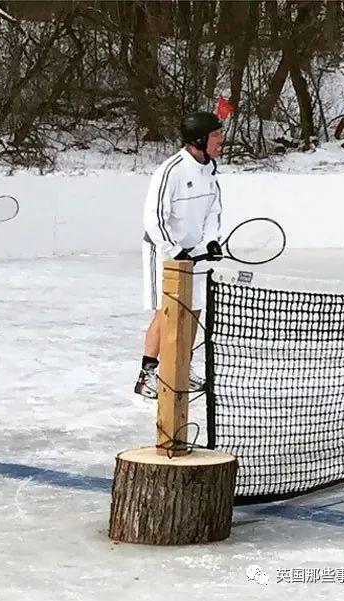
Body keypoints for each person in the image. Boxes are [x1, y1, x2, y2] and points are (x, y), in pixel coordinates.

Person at [134, 111, 225, 399]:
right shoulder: (171, 170)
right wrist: (175, 250)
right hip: (163, 250)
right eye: (215, 135)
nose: (221, 140)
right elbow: (154, 218)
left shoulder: (210, 170)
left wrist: (210, 241)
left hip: (195, 252)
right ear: (199, 139)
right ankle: (147, 374)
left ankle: (181, 368)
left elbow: (214, 208)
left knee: (195, 307)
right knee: (167, 310)